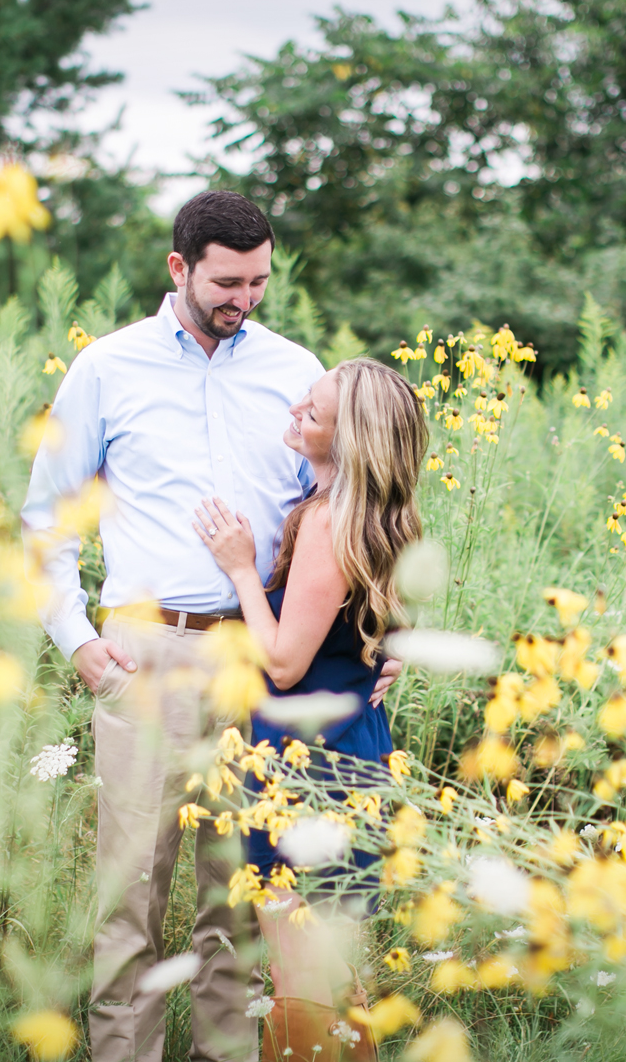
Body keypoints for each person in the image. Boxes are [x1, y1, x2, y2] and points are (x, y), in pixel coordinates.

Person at [21, 191, 401, 1062]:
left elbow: (357, 506)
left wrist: (379, 639)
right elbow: (46, 522)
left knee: (242, 888)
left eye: (260, 280)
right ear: (179, 269)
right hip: (148, 649)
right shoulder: (106, 369)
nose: (245, 298)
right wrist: (80, 642)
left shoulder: (293, 368)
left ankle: (228, 1054)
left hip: (271, 661)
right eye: (228, 282)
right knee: (133, 888)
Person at [193, 357, 429, 1062]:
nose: (297, 409)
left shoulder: (328, 524)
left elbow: (286, 660)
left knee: (300, 984)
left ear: (349, 440)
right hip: (349, 747)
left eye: (314, 410)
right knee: (336, 976)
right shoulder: (380, 521)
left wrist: (239, 566)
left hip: (308, 765)